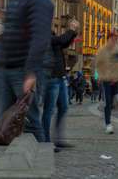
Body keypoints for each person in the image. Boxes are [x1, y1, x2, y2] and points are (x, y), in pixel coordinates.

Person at [0, 0, 53, 142]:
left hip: (24, 71)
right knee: (3, 124)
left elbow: (40, 38)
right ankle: (8, 167)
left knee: (30, 123)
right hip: (8, 69)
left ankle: (41, 168)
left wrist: (31, 73)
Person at [41, 21, 79, 149]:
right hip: (51, 77)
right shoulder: (42, 35)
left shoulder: (51, 34)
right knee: (49, 110)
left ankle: (57, 138)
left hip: (60, 77)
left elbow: (63, 43)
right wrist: (71, 30)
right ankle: (46, 140)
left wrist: (73, 33)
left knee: (63, 108)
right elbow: (60, 40)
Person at [96, 32, 118, 134]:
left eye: (116, 38)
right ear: (109, 39)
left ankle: (112, 101)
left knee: (113, 102)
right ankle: (108, 124)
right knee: (108, 101)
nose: (115, 40)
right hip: (106, 79)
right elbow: (98, 64)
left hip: (115, 80)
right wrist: (101, 75)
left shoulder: (117, 51)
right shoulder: (102, 50)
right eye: (113, 38)